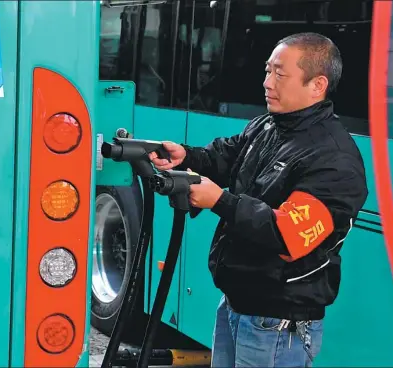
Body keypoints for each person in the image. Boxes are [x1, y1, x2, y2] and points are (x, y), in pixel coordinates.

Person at [148, 32, 368, 367]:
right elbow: (226, 156)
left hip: (277, 325)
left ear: (317, 85)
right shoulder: (270, 125)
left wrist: (220, 201)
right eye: (267, 71)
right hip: (238, 306)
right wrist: (187, 157)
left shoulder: (334, 160)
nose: (267, 82)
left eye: (280, 74)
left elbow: (288, 234)